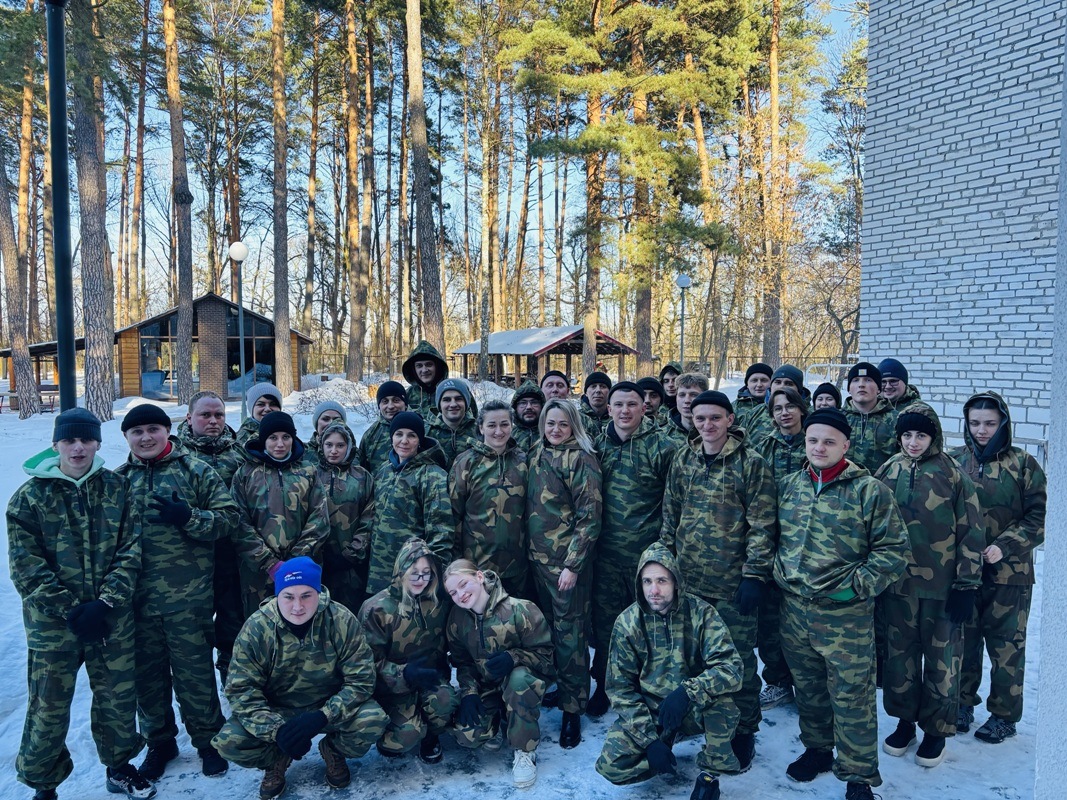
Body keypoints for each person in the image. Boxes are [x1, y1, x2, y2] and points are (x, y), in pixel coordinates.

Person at [8, 409, 156, 800]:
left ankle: (120, 767)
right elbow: (26, 566)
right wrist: (69, 609)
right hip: (53, 625)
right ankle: (44, 784)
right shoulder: (29, 498)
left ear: (97, 443)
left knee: (117, 697)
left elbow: (131, 550)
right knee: (48, 705)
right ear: (55, 444)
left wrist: (106, 603)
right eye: (69, 440)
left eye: (86, 439)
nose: (78, 448)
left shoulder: (118, 489)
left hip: (110, 618)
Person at [774, 408, 909, 800]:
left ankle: (858, 776)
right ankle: (818, 750)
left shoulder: (869, 492)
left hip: (844, 617)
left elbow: (893, 550)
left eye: (829, 441)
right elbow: (772, 536)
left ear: (845, 445)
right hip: (795, 611)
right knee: (809, 689)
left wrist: (856, 588)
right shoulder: (790, 486)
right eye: (813, 440)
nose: (820, 448)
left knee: (853, 697)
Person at [116, 403, 240, 780]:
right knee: (148, 678)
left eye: (153, 429)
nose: (146, 438)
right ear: (127, 437)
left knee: (195, 674)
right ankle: (160, 742)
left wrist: (189, 517)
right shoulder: (117, 481)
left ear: (167, 431)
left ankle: (208, 741)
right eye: (137, 432)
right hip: (137, 601)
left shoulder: (195, 471)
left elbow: (229, 519)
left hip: (189, 598)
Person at [659, 390, 776, 771]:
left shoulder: (751, 463)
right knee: (687, 657)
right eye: (700, 418)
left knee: (737, 661)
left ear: (730, 419)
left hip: (732, 583)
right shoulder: (684, 458)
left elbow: (762, 524)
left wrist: (754, 575)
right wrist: (665, 566)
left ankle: (744, 729)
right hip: (689, 581)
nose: (707, 425)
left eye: (715, 418)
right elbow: (671, 514)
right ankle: (688, 721)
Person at [212, 557, 389, 798]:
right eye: (288, 596)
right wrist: (276, 731)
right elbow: (241, 690)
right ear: (277, 596)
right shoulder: (256, 628)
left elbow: (362, 680)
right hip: (277, 711)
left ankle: (334, 751)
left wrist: (323, 715)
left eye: (306, 595)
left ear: (319, 593)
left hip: (327, 708)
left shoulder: (341, 620)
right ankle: (276, 758)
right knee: (230, 741)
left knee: (372, 719)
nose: (297, 606)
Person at [874, 402, 983, 768]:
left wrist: (967, 585)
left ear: (933, 436)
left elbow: (971, 532)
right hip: (898, 587)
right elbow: (871, 523)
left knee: (942, 662)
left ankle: (936, 730)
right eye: (907, 434)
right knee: (899, 660)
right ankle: (905, 722)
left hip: (943, 589)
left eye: (921, 435)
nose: (913, 442)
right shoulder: (888, 470)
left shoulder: (953, 474)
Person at [595, 543, 743, 800]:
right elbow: (619, 689)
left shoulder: (702, 614)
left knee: (723, 705)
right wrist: (650, 741)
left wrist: (687, 692)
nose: (654, 590)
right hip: (652, 710)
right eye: (647, 581)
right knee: (611, 765)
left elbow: (732, 667)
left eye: (662, 581)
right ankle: (663, 749)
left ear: (676, 582)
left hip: (692, 704)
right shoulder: (627, 623)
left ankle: (709, 777)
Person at [950, 392, 1047, 744]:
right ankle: (962, 704)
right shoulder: (954, 461)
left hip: (1011, 576)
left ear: (1003, 423)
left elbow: (1039, 518)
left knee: (1007, 647)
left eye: (990, 423)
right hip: (965, 574)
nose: (982, 430)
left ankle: (1004, 716)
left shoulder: (1023, 464)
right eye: (975, 423)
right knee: (964, 643)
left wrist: (1004, 546)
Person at [589, 382, 675, 717]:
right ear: (609, 409)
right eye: (619, 405)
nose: (625, 411)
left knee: (652, 625)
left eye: (632, 404)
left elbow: (674, 500)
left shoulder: (663, 446)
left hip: (647, 559)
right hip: (606, 557)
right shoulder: (596, 446)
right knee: (608, 628)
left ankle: (653, 690)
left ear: (644, 407)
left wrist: (665, 550)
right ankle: (605, 685)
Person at [526, 398, 603, 748]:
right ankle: (561, 688)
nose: (555, 430)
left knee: (570, 636)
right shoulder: (537, 452)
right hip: (537, 562)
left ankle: (573, 709)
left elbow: (590, 517)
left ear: (574, 426)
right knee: (548, 632)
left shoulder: (581, 459)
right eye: (550, 423)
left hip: (566, 566)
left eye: (563, 424)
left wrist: (573, 564)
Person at [444, 560, 554, 789]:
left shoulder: (520, 609)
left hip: (519, 685)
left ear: (479, 577)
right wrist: (469, 693)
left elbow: (546, 657)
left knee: (519, 680)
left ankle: (525, 749)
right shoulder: (457, 619)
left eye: (463, 584)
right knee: (467, 735)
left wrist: (514, 657)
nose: (460, 595)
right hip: (487, 686)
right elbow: (463, 662)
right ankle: (496, 721)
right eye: (453, 592)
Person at [358, 539, 456, 763]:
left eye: (426, 573)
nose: (420, 580)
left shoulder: (439, 602)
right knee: (406, 735)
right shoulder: (377, 608)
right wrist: (404, 674)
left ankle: (431, 736)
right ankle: (393, 734)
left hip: (430, 679)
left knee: (446, 701)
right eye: (414, 573)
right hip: (391, 688)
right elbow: (365, 664)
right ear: (400, 571)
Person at [177, 391, 247, 683]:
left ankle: (233, 684)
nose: (213, 421)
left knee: (234, 625)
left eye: (219, 415)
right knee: (194, 633)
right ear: (189, 418)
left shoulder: (239, 454)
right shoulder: (176, 456)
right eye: (205, 415)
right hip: (189, 563)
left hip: (233, 558)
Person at [231, 411, 330, 616]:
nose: (280, 444)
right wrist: (270, 563)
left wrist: (295, 561)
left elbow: (319, 518)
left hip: (301, 568)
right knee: (262, 622)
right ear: (263, 440)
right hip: (259, 572)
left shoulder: (308, 472)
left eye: (286, 437)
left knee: (301, 616)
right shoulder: (246, 474)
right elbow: (239, 522)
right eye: (272, 438)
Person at [754, 386, 810, 711]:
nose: (784, 413)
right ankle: (777, 681)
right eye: (778, 408)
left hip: (809, 544)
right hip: (771, 542)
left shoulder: (815, 442)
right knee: (771, 620)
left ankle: (808, 685)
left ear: (802, 409)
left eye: (790, 406)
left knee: (803, 622)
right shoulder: (763, 446)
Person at [366, 411, 453, 595]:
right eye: (399, 434)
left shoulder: (432, 475)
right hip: (379, 570)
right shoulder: (384, 471)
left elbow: (441, 531)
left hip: (414, 571)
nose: (404, 441)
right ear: (391, 438)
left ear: (419, 440)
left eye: (411, 435)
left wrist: (431, 574)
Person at [449, 400, 529, 597]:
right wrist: (458, 561)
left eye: (504, 424)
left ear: (512, 426)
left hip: (517, 565)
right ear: (481, 428)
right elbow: (453, 514)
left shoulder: (523, 461)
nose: (498, 431)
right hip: (477, 564)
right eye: (492, 425)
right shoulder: (466, 462)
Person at [314, 422, 375, 612]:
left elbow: (370, 517)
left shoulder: (362, 477)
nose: (334, 451)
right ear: (321, 446)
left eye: (340, 445)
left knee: (350, 613)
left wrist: (352, 553)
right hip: (318, 563)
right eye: (329, 445)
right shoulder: (310, 475)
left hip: (352, 565)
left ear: (349, 447)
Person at [842, 361, 898, 473]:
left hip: (883, 483)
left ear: (878, 389)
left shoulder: (896, 419)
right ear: (849, 389)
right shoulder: (837, 419)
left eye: (868, 380)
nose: (861, 385)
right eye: (855, 380)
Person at [744, 364, 805, 447]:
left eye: (789, 383)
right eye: (778, 382)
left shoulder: (811, 415)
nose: (782, 386)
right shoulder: (755, 413)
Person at [427, 377, 480, 468]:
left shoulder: (480, 430)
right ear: (439, 404)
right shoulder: (427, 432)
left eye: (458, 399)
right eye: (447, 400)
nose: (453, 404)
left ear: (466, 402)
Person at [358, 381, 408, 475]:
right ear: (379, 406)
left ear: (405, 403)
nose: (390, 406)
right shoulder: (370, 435)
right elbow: (361, 471)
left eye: (396, 400)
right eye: (385, 401)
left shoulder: (422, 428)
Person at [401, 340, 449, 418]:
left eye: (429, 365)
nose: (424, 370)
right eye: (419, 366)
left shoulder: (449, 391)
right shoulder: (407, 395)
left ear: (437, 367)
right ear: (413, 369)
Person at [664, 372, 708, 442]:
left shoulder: (714, 432)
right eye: (682, 395)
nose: (687, 400)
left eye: (693, 395)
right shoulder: (662, 435)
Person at [303, 400, 348, 466]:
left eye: (336, 420)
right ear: (317, 423)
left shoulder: (354, 454)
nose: (331, 423)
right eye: (325, 419)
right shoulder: (301, 452)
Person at [510, 380, 546, 454]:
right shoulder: (507, 435)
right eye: (523, 403)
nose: (529, 407)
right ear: (516, 407)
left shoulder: (551, 433)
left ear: (542, 406)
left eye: (534, 402)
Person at [734, 362, 773, 429]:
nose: (759, 385)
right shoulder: (735, 407)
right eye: (754, 380)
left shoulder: (779, 405)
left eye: (764, 380)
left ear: (771, 383)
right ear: (747, 384)